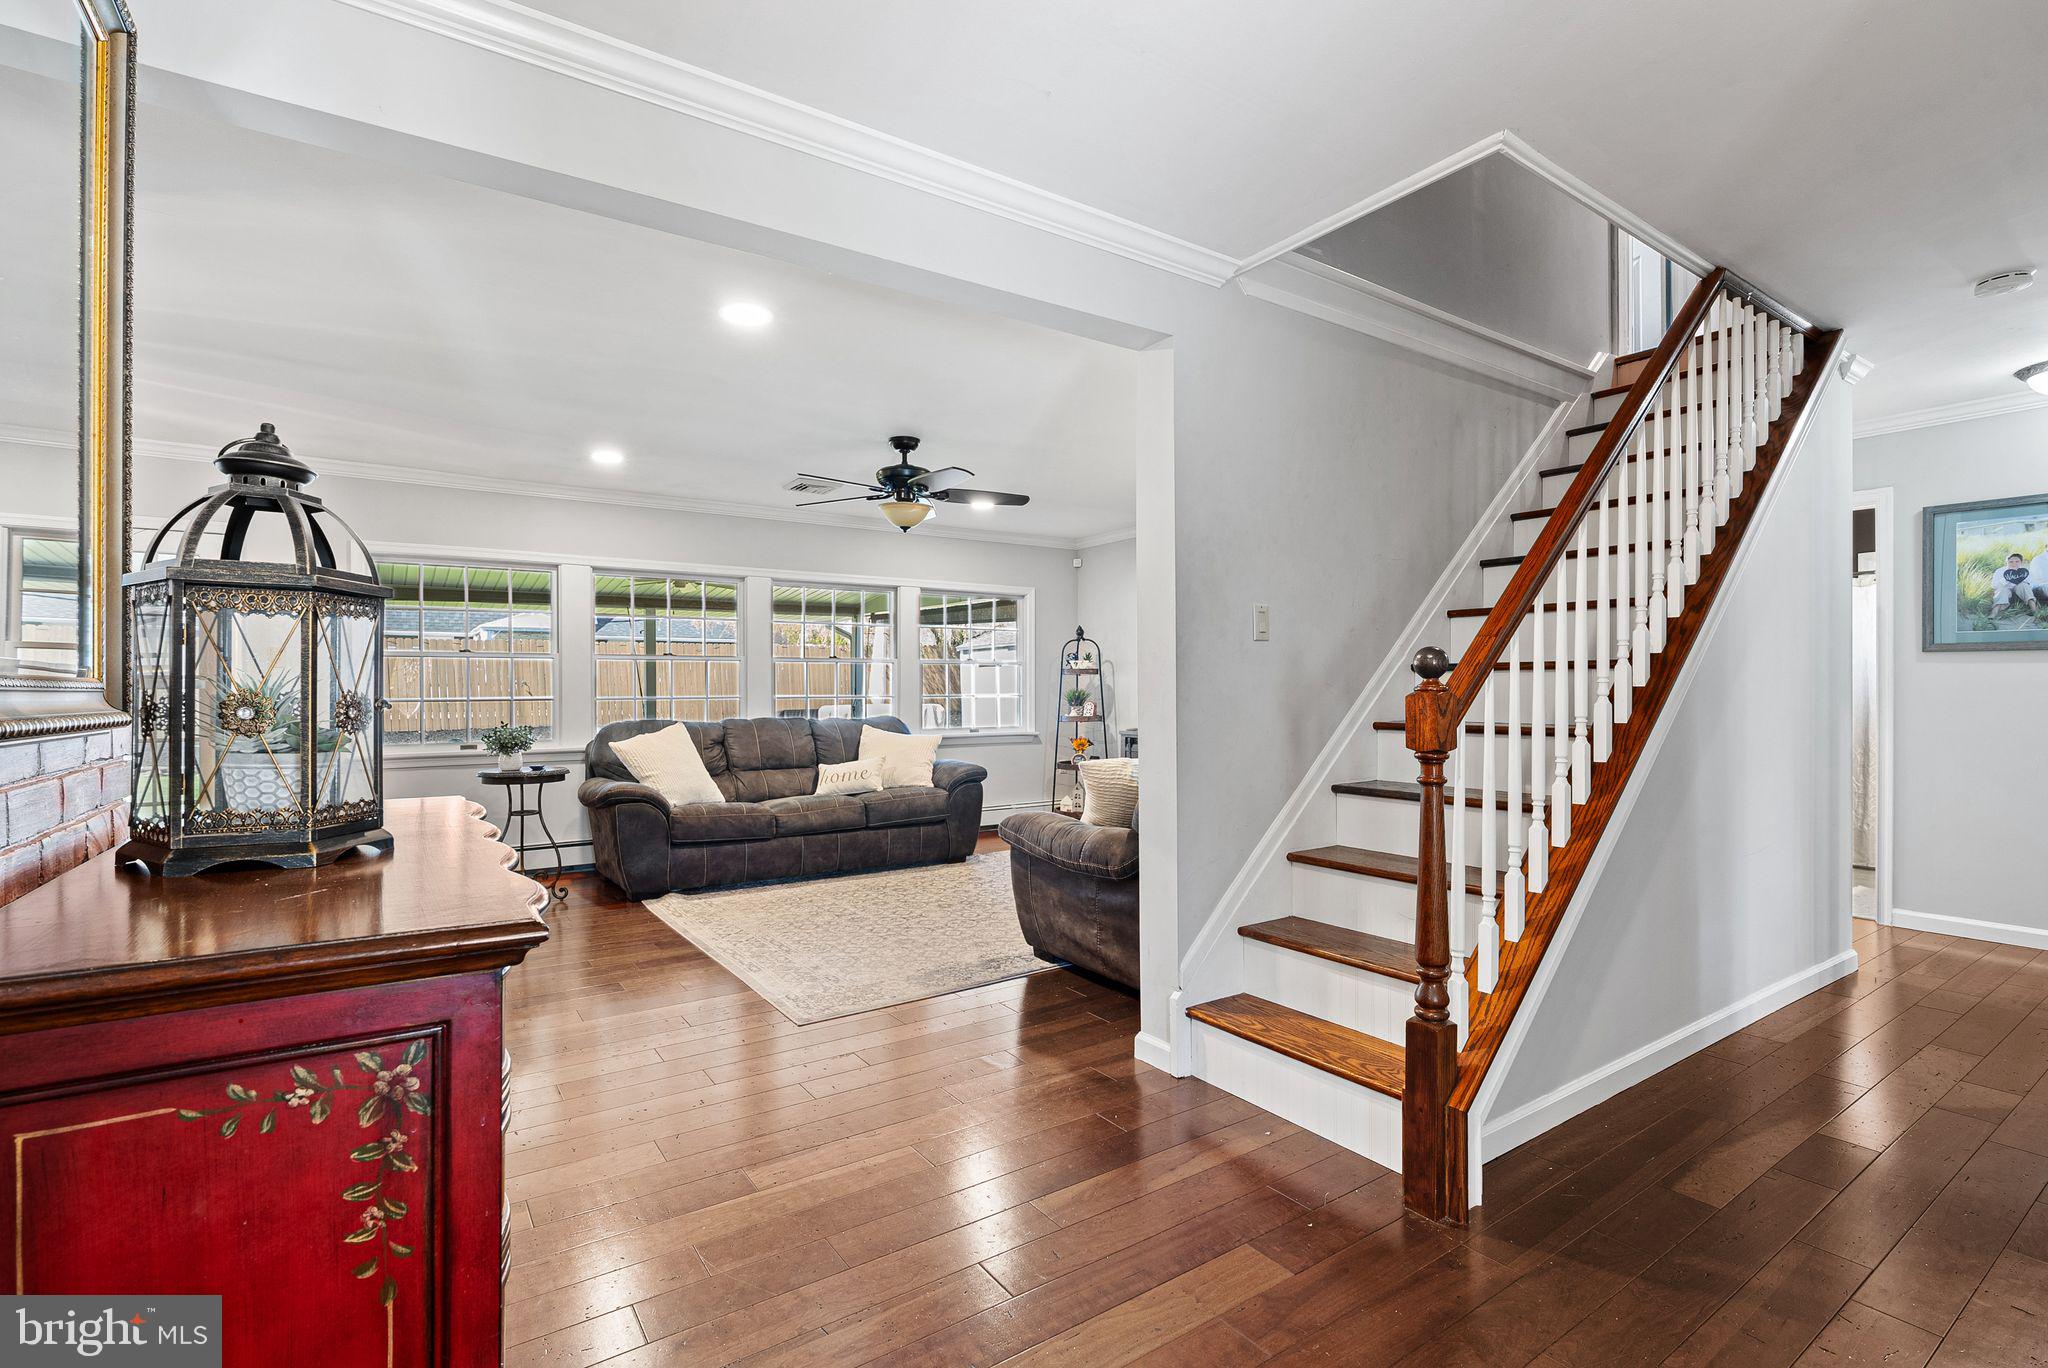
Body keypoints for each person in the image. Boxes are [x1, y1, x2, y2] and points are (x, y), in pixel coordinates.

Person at [1992, 552, 2036, 618]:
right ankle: (1994, 612)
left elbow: (2033, 584)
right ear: (2007, 562)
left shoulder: (2025, 571)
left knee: (2023, 585)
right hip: (2006, 592)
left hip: (2021, 593)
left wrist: (2021, 579)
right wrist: (2007, 578)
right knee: (2002, 589)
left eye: (2017, 561)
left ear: (2021, 562)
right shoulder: (2000, 571)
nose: (2014, 564)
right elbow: (1994, 585)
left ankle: (2034, 609)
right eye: (2011, 562)